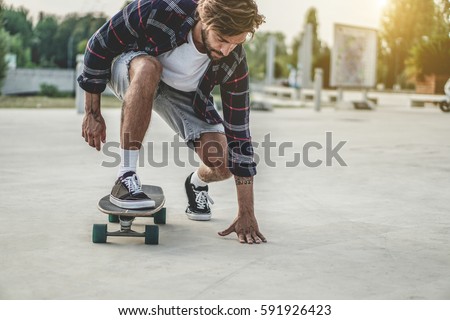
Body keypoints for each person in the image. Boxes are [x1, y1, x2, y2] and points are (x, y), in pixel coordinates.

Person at [77, 0, 266, 244]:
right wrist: (92, 112)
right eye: (222, 38)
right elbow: (98, 45)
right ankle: (125, 177)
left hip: (184, 94)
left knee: (223, 162)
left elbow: (240, 133)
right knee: (148, 67)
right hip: (134, 67)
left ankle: (196, 183)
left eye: (236, 43)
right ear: (205, 20)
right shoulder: (162, 8)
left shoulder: (233, 60)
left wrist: (246, 212)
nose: (227, 49)